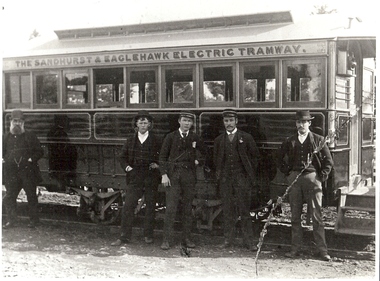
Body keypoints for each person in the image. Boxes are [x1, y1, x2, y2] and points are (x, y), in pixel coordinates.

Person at [276, 110, 333, 261]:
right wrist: (288, 173)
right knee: (295, 216)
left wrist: (320, 177)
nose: (301, 125)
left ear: (309, 123)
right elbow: (279, 159)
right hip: (295, 180)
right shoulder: (289, 140)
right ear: (296, 124)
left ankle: (322, 250)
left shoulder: (319, 140)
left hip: (313, 179)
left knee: (317, 216)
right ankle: (295, 249)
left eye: (304, 122)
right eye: (299, 122)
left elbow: (328, 162)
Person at [111, 110, 161, 245]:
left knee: (150, 206)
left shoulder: (156, 139)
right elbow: (122, 157)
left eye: (146, 122)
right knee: (128, 206)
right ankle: (124, 237)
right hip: (135, 176)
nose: (143, 125)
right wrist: (128, 168)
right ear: (136, 124)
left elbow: (162, 156)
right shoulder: (131, 139)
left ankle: (148, 235)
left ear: (149, 124)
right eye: (141, 122)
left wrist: (157, 165)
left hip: (151, 176)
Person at [159, 111, 207, 250]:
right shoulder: (170, 137)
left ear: (192, 123)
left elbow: (204, 152)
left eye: (189, 121)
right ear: (179, 121)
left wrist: (199, 161)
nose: (187, 123)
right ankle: (166, 240)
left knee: (187, 209)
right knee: (171, 208)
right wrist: (164, 174)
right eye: (185, 120)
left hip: (189, 176)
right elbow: (162, 157)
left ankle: (187, 239)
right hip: (173, 175)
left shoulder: (194, 137)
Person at [213, 109, 260, 251]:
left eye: (231, 121)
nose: (229, 123)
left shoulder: (246, 138)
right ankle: (228, 240)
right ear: (223, 123)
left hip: (242, 180)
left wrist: (247, 175)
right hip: (226, 181)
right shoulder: (219, 140)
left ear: (236, 121)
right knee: (227, 211)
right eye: (226, 121)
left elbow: (255, 157)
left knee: (244, 211)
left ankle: (249, 242)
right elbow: (215, 160)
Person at [2, 109, 44, 229]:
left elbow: (40, 151)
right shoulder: (5, 137)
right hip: (12, 173)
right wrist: (3, 159)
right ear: (11, 122)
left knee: (31, 196)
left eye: (20, 121)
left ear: (23, 123)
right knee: (10, 197)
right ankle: (11, 221)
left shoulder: (30, 136)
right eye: (15, 121)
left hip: (27, 172)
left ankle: (34, 221)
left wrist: (31, 159)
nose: (17, 123)